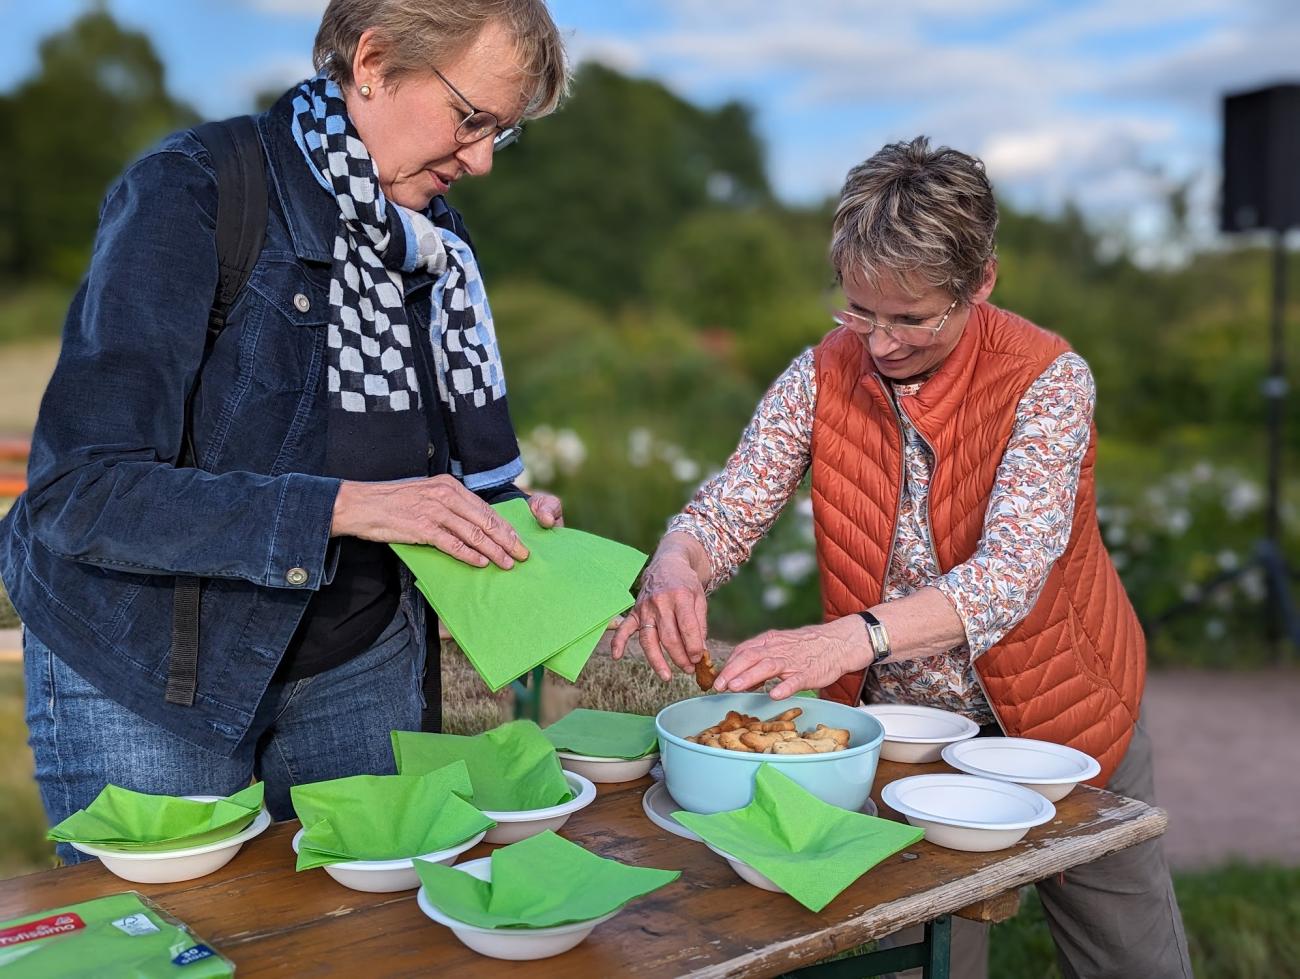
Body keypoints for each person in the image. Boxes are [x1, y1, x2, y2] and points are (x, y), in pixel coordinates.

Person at [0, 0, 569, 862]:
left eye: (505, 133)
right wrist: (346, 507)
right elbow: (82, 492)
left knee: (364, 941)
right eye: (472, 118)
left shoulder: (429, 242)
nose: (484, 159)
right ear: (373, 62)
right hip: (155, 678)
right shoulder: (191, 190)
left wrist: (494, 510)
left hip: (360, 663)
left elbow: (405, 460)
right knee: (174, 944)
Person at [613, 137, 1192, 979]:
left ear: (980, 283)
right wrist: (675, 561)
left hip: (1060, 712)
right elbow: (727, 509)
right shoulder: (819, 374)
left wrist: (845, 639)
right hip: (901, 735)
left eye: (911, 317)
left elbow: (1008, 576)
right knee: (918, 952)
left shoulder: (1049, 378)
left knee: (1128, 959)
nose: (878, 345)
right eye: (859, 311)